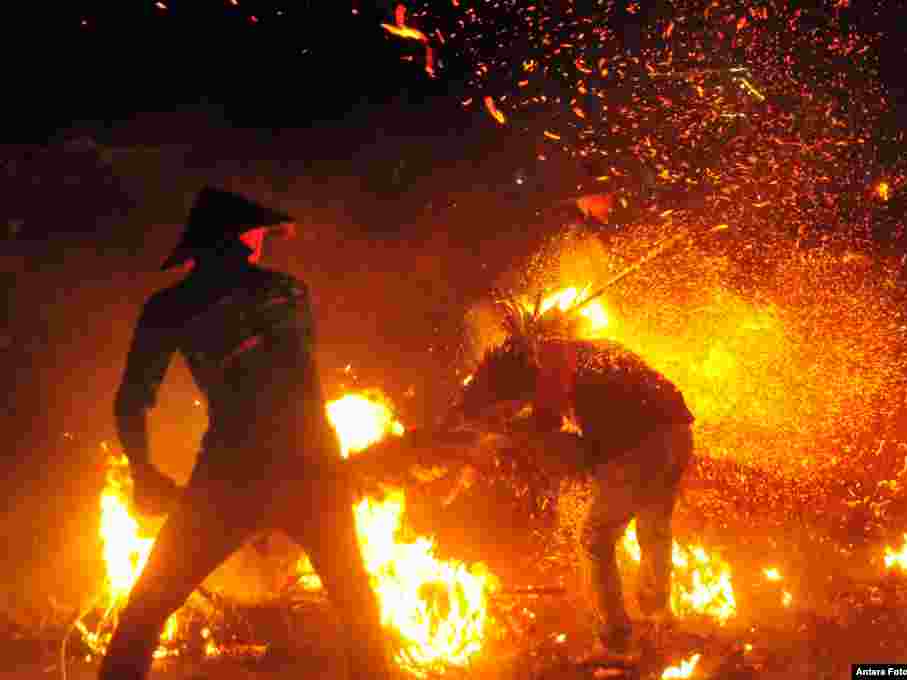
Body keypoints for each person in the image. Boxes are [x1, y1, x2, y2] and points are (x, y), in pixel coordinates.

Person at [102, 186, 395, 680]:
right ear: (241, 240)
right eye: (258, 232)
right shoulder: (287, 291)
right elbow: (287, 376)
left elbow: (132, 399)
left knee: (146, 609)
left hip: (235, 471)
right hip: (304, 468)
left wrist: (143, 471)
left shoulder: (170, 307)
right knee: (356, 608)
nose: (264, 239)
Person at [444, 300, 695, 661]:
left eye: (503, 409)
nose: (510, 413)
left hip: (643, 444)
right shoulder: (590, 349)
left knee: (595, 538)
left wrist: (504, 435)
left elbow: (544, 422)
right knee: (654, 526)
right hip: (677, 434)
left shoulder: (550, 355)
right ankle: (659, 618)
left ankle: (615, 639)